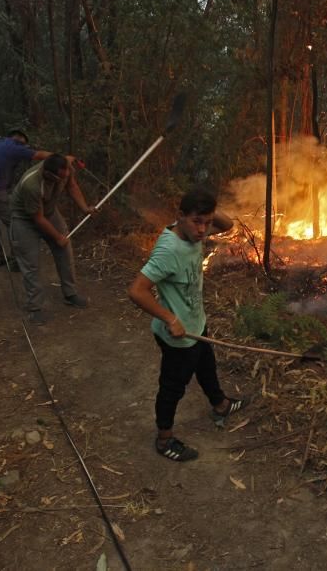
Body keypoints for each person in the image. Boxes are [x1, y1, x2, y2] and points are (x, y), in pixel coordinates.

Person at [127, 188, 246, 462]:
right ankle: (164, 439)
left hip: (196, 323)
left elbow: (227, 225)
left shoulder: (194, 231)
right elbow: (136, 291)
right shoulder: (169, 250)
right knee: (173, 387)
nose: (203, 229)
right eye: (197, 221)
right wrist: (170, 319)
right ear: (180, 217)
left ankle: (221, 405)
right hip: (178, 335)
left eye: (207, 221)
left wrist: (208, 212)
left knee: (206, 367)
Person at [9, 153, 95, 325]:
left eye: (66, 174)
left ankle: (70, 294)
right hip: (25, 219)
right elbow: (38, 219)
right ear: (48, 174)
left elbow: (72, 187)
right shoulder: (31, 185)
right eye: (60, 177)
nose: (64, 178)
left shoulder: (66, 168)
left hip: (49, 212)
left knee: (65, 252)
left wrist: (85, 208)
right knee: (31, 263)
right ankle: (34, 308)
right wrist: (57, 237)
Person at [0, 129, 52, 270]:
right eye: (23, 144)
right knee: (16, 223)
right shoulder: (14, 148)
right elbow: (41, 155)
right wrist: (62, 158)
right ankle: (17, 262)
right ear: (20, 140)